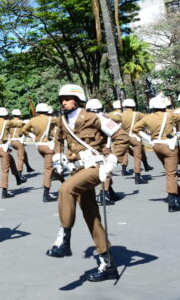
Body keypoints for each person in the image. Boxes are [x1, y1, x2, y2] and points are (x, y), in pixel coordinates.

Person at [45, 84, 128, 283]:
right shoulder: (62, 120)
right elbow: (58, 141)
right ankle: (107, 263)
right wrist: (57, 158)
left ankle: (63, 239)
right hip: (76, 169)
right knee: (91, 215)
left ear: (78, 100)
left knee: (66, 190)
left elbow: (121, 136)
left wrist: (112, 161)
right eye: (61, 99)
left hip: (95, 167)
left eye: (67, 98)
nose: (63, 102)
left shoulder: (94, 117)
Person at [134, 96, 180, 212]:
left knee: (168, 169)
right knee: (171, 173)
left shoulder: (148, 117)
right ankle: (172, 203)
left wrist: (148, 138)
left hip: (156, 145)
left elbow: (135, 128)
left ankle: (177, 189)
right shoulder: (170, 115)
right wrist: (179, 111)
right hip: (169, 145)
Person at [21, 103, 57, 202]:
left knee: (50, 165)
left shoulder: (33, 120)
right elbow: (62, 122)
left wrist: (32, 135)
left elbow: (23, 129)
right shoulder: (51, 119)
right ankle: (46, 194)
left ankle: (57, 177)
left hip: (39, 145)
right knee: (48, 169)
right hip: (48, 145)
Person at [0, 107, 24, 198]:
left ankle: (18, 178)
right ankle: (4, 191)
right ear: (5, 115)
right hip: (3, 148)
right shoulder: (7, 122)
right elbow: (18, 124)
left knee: (11, 159)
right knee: (5, 170)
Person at [120, 98, 151, 184]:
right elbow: (148, 118)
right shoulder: (138, 114)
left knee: (126, 152)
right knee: (137, 157)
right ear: (133, 106)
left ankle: (124, 169)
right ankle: (137, 177)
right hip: (134, 137)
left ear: (124, 106)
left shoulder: (121, 115)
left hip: (124, 137)